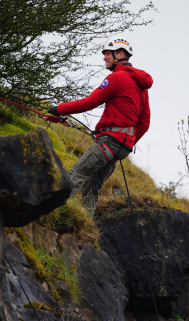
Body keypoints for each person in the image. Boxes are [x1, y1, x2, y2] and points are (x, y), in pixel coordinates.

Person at [48, 37, 153, 217]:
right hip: (123, 147)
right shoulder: (141, 85)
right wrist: (128, 139)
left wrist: (59, 109)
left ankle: (53, 214)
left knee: (74, 175)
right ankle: (87, 226)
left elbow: (88, 103)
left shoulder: (117, 78)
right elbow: (144, 123)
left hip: (110, 142)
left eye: (107, 54)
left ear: (120, 54)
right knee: (91, 186)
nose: (104, 58)